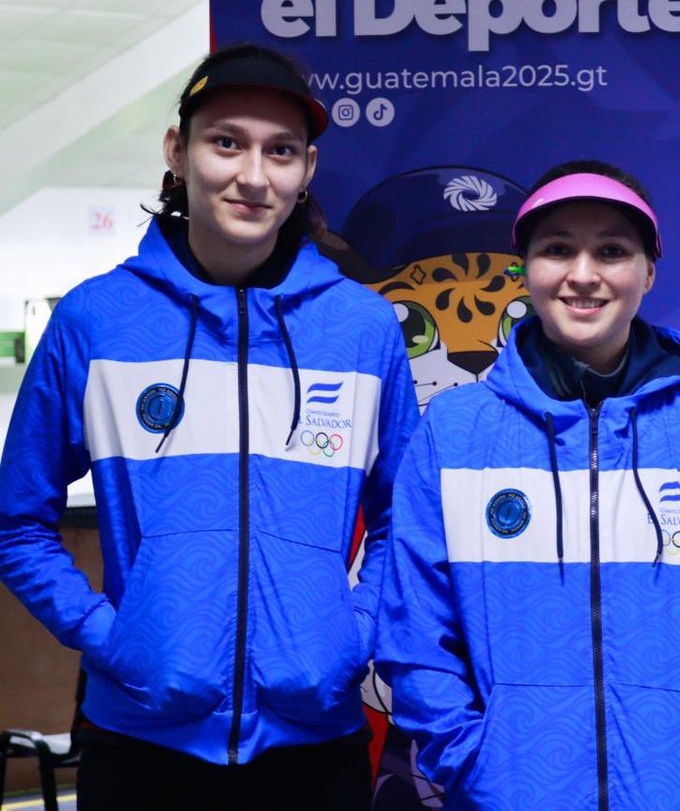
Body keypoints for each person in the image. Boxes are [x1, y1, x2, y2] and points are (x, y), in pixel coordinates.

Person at [0, 44, 419, 809]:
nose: (253, 175)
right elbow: (17, 523)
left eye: (280, 151)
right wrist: (110, 637)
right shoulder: (96, 320)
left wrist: (351, 635)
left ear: (308, 172)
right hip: (141, 741)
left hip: (314, 741)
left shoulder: (361, 327)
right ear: (178, 152)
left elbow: (411, 521)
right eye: (227, 141)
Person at [375, 160, 680, 810]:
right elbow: (414, 628)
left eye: (611, 250)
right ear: (524, 271)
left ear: (649, 271)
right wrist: (471, 762)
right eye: (557, 249)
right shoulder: (456, 431)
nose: (583, 274)